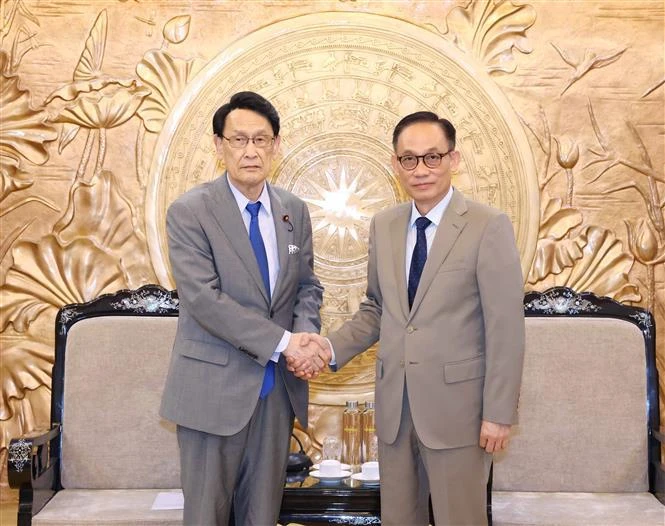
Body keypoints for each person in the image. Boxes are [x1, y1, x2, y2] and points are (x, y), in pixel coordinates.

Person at [293, 111, 525, 525]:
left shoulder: (488, 225)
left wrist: (498, 413)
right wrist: (328, 348)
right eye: (409, 159)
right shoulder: (386, 225)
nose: (421, 169)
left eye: (432, 157)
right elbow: (378, 308)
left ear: (453, 160)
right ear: (396, 164)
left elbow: (505, 327)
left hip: (461, 413)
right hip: (396, 411)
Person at [160, 91, 329, 526]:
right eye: (238, 140)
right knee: (206, 516)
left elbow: (306, 287)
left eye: (261, 139)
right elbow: (203, 299)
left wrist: (306, 338)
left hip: (275, 394)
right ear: (219, 146)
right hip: (211, 390)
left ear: (276, 145)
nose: (250, 150)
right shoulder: (190, 211)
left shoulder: (294, 211)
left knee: (261, 514)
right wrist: (287, 342)